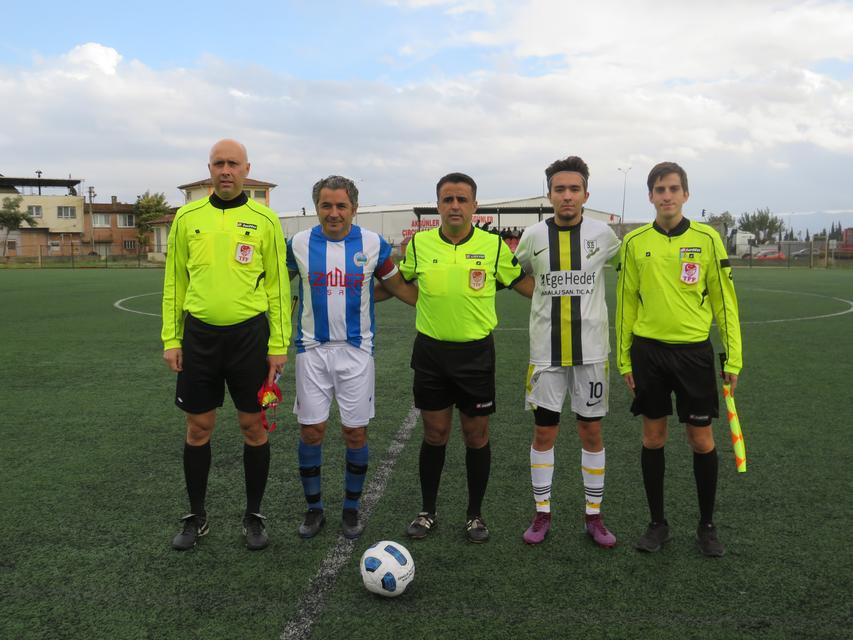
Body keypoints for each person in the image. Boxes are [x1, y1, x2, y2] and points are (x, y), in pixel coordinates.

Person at [162, 139, 290, 551]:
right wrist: (171, 338)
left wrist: (278, 345)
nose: (226, 170)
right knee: (198, 428)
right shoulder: (187, 217)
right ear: (209, 170)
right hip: (199, 337)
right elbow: (175, 282)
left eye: (233, 163)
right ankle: (196, 515)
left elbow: (278, 287)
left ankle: (254, 515)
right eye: (218, 163)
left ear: (247, 169)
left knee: (253, 427)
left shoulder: (265, 220)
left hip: (249, 339)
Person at [615, 161, 743, 557]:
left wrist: (733, 358)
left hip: (693, 354)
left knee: (701, 440)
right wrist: (624, 360)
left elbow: (725, 303)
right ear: (650, 196)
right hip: (648, 353)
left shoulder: (707, 239)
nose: (667, 196)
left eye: (673, 189)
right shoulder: (634, 242)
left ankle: (707, 526)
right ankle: (658, 524)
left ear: (685, 194)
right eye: (660, 190)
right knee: (653, 438)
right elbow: (626, 303)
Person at [400, 172, 533, 543]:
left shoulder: (493, 246)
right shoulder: (419, 244)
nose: (455, 206)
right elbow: (400, 281)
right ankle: (427, 511)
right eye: (448, 199)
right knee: (435, 433)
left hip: (475, 355)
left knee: (476, 435)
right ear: (438, 206)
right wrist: (360, 293)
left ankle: (475, 515)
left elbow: (522, 283)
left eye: (462, 199)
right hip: (430, 353)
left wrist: (561, 296)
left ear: (475, 205)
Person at [287, 176, 417, 540]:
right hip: (312, 351)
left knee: (355, 432)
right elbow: (276, 287)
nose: (334, 213)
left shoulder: (372, 244)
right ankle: (314, 510)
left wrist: (436, 304)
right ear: (317, 208)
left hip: (357, 352)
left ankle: (351, 509)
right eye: (326, 206)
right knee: (311, 431)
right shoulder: (298, 243)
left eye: (341, 206)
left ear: (354, 209)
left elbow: (397, 287)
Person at [514, 156, 621, 547]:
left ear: (586, 195)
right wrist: (542, 296)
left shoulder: (603, 235)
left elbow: (628, 267)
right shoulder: (533, 236)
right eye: (560, 189)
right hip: (546, 353)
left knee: (591, 431)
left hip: (591, 352)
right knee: (544, 431)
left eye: (574, 189)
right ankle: (542, 513)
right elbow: (516, 274)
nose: (567, 196)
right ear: (550, 195)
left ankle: (594, 516)